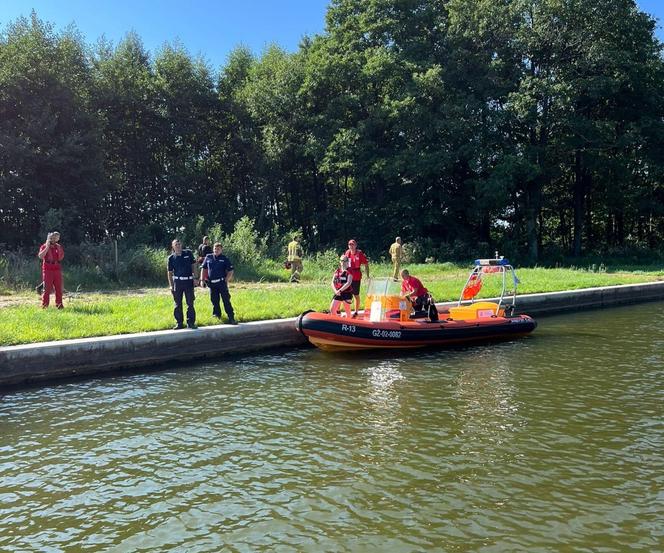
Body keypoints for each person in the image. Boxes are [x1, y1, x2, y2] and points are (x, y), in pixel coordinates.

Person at [200, 242, 237, 324]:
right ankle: (217, 315)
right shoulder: (208, 257)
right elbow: (204, 269)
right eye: (215, 249)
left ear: (221, 250)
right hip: (212, 284)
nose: (216, 250)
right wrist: (202, 280)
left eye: (218, 249)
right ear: (213, 249)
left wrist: (226, 279)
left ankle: (231, 317)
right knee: (214, 300)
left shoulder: (224, 259)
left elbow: (231, 270)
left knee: (226, 300)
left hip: (221, 283)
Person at [167, 238, 199, 329]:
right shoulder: (171, 258)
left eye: (179, 244)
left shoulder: (188, 253)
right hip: (177, 282)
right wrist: (171, 285)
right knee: (177, 304)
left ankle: (191, 323)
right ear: (173, 246)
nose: (178, 246)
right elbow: (169, 272)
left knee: (190, 303)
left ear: (182, 245)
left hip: (188, 281)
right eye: (176, 244)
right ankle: (179, 323)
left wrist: (196, 278)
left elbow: (194, 265)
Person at [37, 231, 64, 309]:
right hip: (48, 269)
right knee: (47, 289)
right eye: (52, 238)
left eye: (55, 238)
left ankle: (59, 306)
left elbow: (61, 257)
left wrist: (57, 249)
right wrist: (47, 247)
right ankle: (44, 306)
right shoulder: (44, 246)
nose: (53, 239)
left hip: (57, 269)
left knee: (58, 288)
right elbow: (41, 256)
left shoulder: (58, 246)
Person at [344, 238, 369, 317]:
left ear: (356, 245)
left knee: (356, 294)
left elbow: (366, 264)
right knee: (346, 294)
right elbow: (343, 263)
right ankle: (347, 311)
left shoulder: (359, 253)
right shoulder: (347, 253)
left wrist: (367, 275)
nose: (351, 246)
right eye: (349, 245)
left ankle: (356, 311)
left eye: (352, 244)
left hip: (356, 276)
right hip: (349, 275)